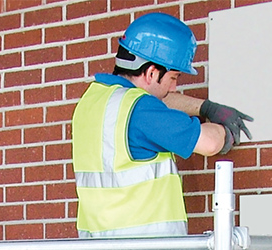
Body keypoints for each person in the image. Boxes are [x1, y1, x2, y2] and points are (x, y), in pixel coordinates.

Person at [71, 12, 253, 238]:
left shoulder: (93, 101)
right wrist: (225, 128)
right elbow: (210, 143)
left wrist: (205, 107)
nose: (175, 87)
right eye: (174, 78)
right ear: (151, 72)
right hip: (145, 242)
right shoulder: (140, 110)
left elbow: (159, 100)